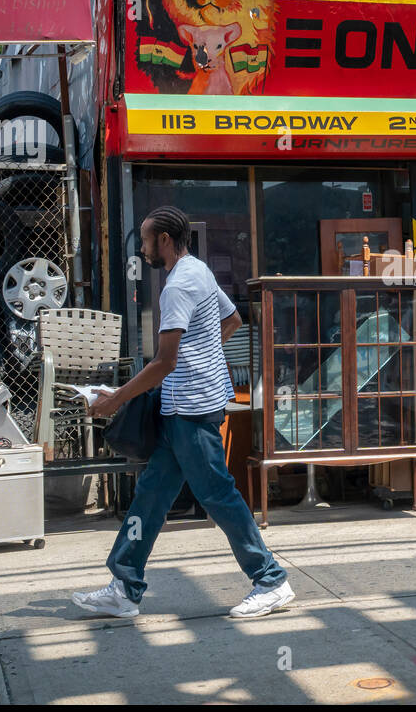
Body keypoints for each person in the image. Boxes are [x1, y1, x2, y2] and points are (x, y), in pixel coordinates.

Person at [71, 206, 293, 619]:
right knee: (152, 496)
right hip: (185, 405)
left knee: (217, 494)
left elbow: (164, 362)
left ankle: (271, 580)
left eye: (145, 239)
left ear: (165, 241)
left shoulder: (176, 288)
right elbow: (232, 319)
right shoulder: (200, 272)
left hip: (191, 408)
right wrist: (203, 352)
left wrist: (114, 399)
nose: (142, 248)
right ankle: (125, 585)